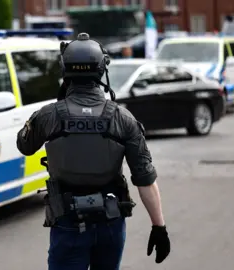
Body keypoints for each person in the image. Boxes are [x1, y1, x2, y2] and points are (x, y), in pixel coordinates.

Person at [16, 33, 170, 270]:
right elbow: (145, 178)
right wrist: (159, 227)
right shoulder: (122, 118)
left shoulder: (50, 116)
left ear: (65, 70)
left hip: (67, 221)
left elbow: (24, 145)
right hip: (110, 221)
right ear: (101, 71)